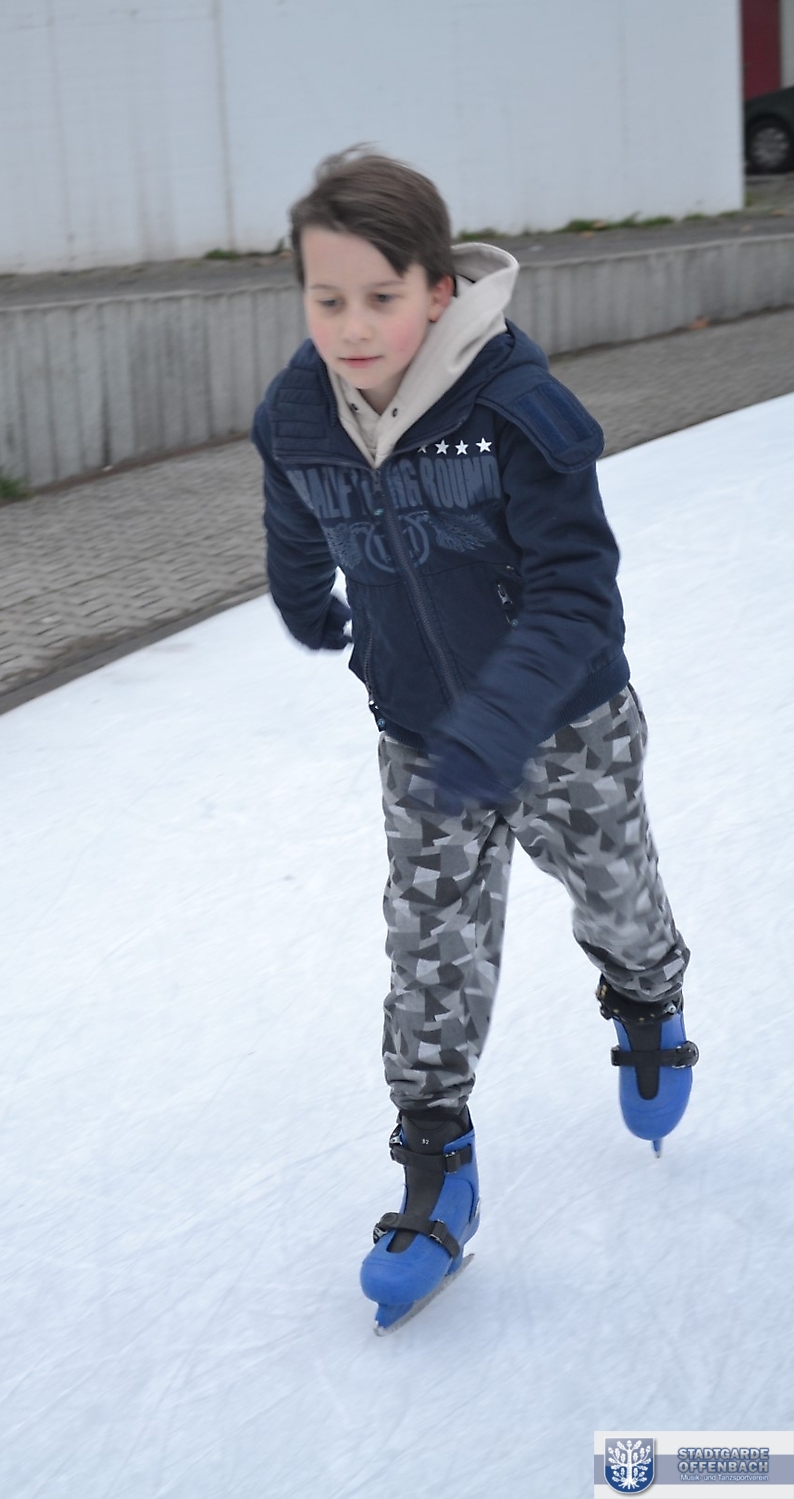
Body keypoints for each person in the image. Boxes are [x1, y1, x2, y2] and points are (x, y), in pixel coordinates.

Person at [251, 149, 696, 1332]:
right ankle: (435, 1163)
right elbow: (293, 496)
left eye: (379, 297)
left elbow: (578, 589)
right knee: (430, 948)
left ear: (439, 288)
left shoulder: (513, 411)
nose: (351, 327)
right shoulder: (299, 408)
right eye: (326, 298)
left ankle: (647, 995)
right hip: (421, 733)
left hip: (566, 725)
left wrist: (504, 714)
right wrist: (302, 592)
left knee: (615, 893)